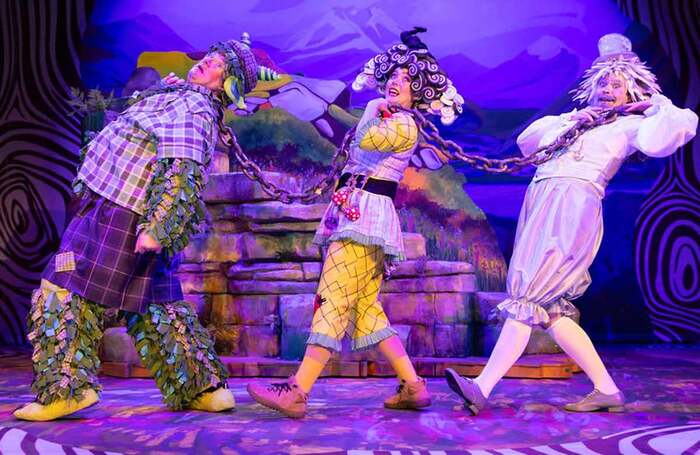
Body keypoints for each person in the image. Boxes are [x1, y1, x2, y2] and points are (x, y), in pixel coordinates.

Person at [14, 38, 270, 421]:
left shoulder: (196, 108)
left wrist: (160, 228)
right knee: (155, 303)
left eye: (216, 64)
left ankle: (65, 389)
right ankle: (203, 388)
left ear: (226, 82)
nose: (205, 63)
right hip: (127, 209)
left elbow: (182, 173)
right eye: (208, 57)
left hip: (121, 211)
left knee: (62, 288)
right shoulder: (184, 97)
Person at [445, 33, 697, 415]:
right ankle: (607, 390)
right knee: (552, 311)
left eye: (617, 85)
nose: (608, 91)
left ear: (631, 92)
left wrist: (654, 104)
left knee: (528, 298)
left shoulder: (629, 128)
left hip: (572, 207)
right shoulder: (574, 122)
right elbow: (529, 141)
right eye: (603, 84)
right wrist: (574, 118)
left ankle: (482, 387)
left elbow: (679, 127)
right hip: (542, 201)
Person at [246, 27, 464, 418]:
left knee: (331, 298)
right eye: (393, 76)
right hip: (355, 211)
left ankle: (297, 390)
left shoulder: (402, 124)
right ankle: (413, 386)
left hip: (365, 219)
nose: (397, 83)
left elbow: (366, 140)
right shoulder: (389, 115)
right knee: (366, 310)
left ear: (420, 93)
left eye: (407, 80)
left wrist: (370, 108)